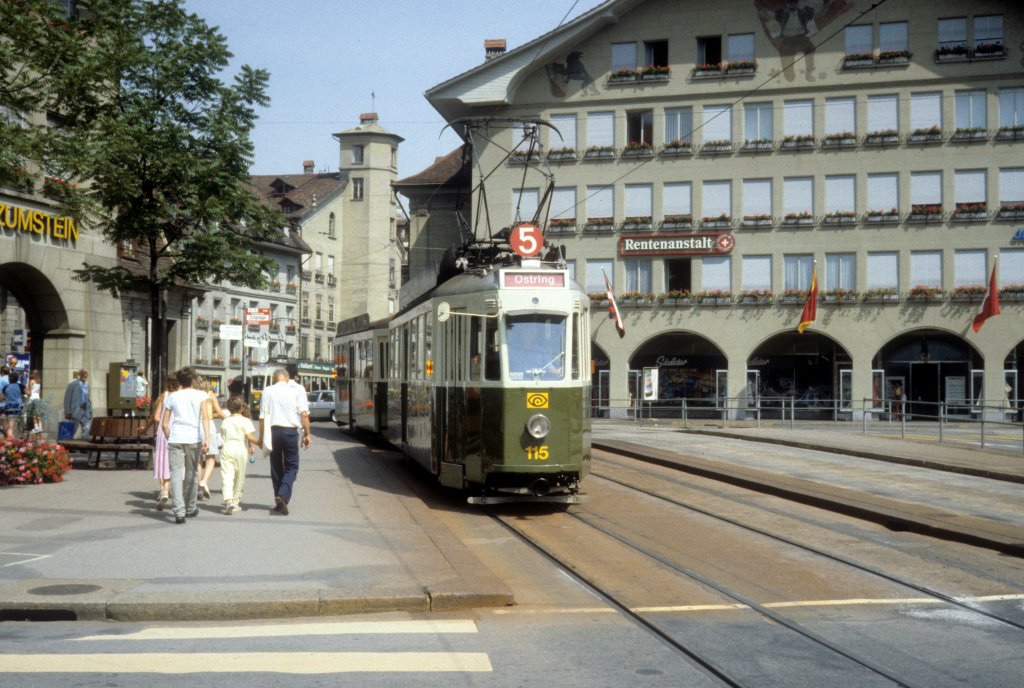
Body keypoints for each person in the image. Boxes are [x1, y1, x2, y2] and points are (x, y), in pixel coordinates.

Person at [161, 367, 211, 525]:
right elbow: (205, 418)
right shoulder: (201, 395)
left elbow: (164, 424)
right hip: (193, 438)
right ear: (193, 379)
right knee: (192, 472)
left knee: (175, 474)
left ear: (179, 380)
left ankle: (178, 511)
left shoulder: (172, 397)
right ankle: (190, 507)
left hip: (176, 438)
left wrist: (170, 436)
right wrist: (207, 439)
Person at [259, 368, 311, 516]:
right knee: (292, 466)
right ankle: (282, 495)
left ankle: (279, 500)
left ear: (275, 379)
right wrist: (307, 434)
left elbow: (262, 418)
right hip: (290, 432)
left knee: (275, 466)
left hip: (273, 432)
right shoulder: (297, 390)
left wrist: (262, 437)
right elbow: (304, 414)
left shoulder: (267, 391)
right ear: (287, 379)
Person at [142, 375, 180, 510]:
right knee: (174, 461)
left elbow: (156, 416)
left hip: (163, 432)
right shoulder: (181, 396)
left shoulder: (164, 395)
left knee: (162, 460)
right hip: (177, 431)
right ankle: (169, 490)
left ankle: (163, 490)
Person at [219, 395, 260, 515]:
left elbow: (223, 435)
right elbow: (249, 436)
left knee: (227, 475)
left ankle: (228, 500)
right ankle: (235, 502)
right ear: (242, 408)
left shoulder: (226, 421)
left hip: (227, 448)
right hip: (240, 449)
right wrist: (258, 443)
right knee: (240, 476)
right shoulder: (245, 421)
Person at [195, 376, 229, 500]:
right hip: (208, 425)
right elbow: (219, 412)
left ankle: (199, 488)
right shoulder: (210, 394)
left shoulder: (194, 395)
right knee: (211, 456)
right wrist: (230, 419)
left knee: (198, 458)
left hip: (196, 425)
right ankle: (204, 481)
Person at [62, 369, 92, 439]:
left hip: (85, 411)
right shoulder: (72, 385)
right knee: (72, 430)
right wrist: (67, 412)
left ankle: (84, 447)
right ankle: (68, 446)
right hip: (75, 411)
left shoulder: (87, 385)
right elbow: (67, 399)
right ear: (80, 375)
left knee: (86, 429)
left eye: (86, 375)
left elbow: (88, 399)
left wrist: (90, 411)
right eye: (83, 374)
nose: (85, 376)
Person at [1, 371, 24, 438]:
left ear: (9, 379)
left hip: (8, 407)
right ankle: (10, 441)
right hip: (17, 407)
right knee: (11, 426)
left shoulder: (6, 387)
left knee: (3, 419)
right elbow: (28, 393)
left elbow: (1, 398)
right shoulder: (20, 386)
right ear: (17, 379)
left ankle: (8, 438)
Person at [25, 369, 42, 434]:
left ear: (33, 374)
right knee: (38, 413)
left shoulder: (31, 381)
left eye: (31, 374)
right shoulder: (39, 381)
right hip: (37, 397)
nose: (30, 375)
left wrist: (25, 390)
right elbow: (38, 391)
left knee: (33, 414)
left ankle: (36, 427)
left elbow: (30, 392)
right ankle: (40, 427)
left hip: (32, 398)